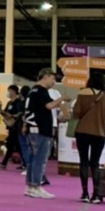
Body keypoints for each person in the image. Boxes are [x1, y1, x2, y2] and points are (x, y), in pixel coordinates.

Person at [72, 71, 105, 203]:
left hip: (82, 132)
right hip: (99, 133)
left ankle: (85, 193)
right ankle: (97, 195)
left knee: (83, 162)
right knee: (95, 163)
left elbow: (76, 113)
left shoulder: (82, 93)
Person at [22, 68, 65, 198]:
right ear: (45, 77)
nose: (54, 82)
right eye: (53, 79)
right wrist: (62, 99)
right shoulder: (41, 91)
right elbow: (49, 106)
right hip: (41, 130)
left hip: (32, 129)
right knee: (39, 160)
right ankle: (36, 186)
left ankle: (30, 186)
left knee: (32, 159)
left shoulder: (32, 91)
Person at [0, 85, 24, 169]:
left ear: (14, 92)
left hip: (16, 127)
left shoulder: (18, 102)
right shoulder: (9, 103)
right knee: (13, 146)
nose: (8, 93)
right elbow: (4, 112)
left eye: (9, 91)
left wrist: (12, 116)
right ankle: (25, 163)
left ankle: (4, 163)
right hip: (10, 127)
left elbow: (20, 113)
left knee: (14, 145)